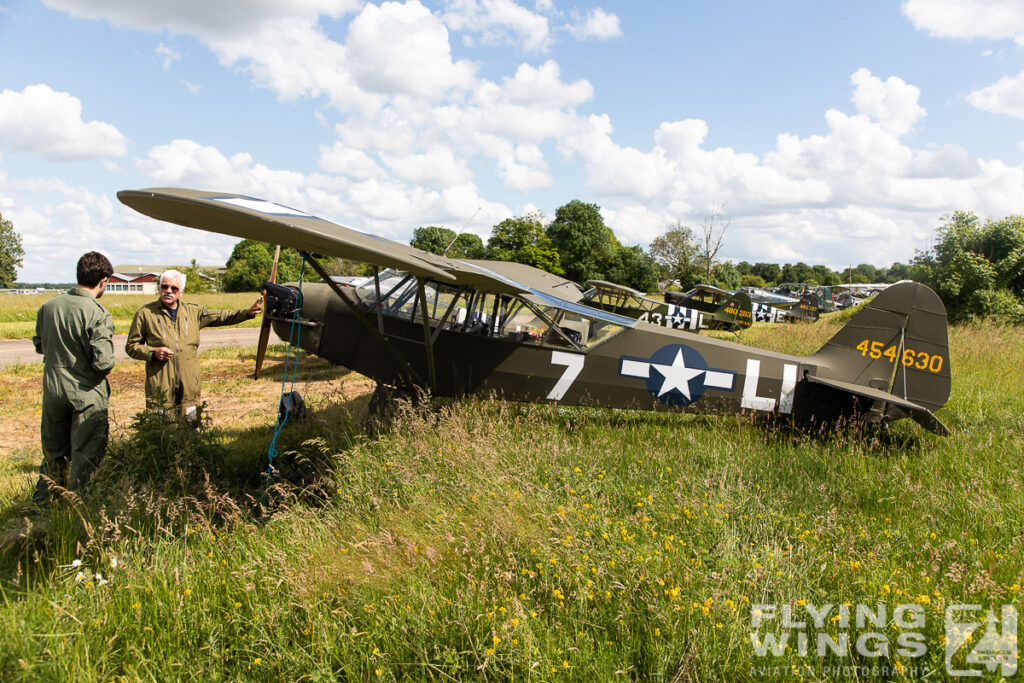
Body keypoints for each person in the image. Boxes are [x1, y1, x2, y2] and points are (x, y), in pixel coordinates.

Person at [33, 251, 115, 505]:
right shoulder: (97, 312)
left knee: (54, 452)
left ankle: (44, 504)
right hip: (86, 393)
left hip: (53, 389)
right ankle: (78, 506)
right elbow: (104, 362)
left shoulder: (49, 306)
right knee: (86, 453)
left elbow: (40, 345)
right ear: (103, 281)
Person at [125, 269, 262, 417]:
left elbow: (221, 316)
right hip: (160, 380)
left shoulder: (193, 312)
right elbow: (131, 346)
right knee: (160, 424)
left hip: (189, 380)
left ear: (181, 292)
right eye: (164, 287)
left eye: (173, 288)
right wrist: (152, 353)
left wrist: (246, 313)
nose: (168, 291)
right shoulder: (146, 313)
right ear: (159, 288)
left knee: (190, 420)